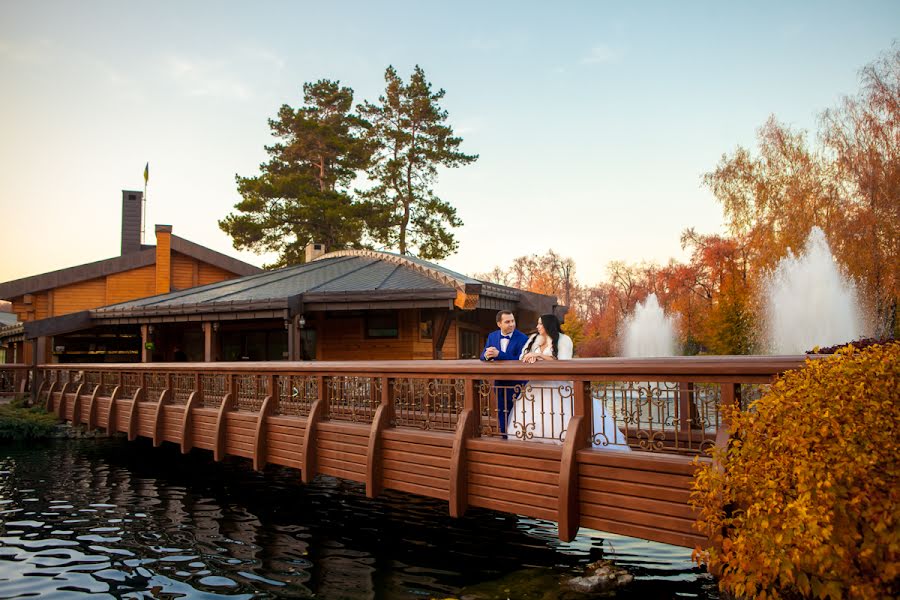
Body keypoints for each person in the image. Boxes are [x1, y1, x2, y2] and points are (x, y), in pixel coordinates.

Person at [509, 314, 630, 451]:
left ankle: (566, 447)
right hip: (535, 385)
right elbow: (522, 356)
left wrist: (539, 355)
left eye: (540, 324)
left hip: (557, 385)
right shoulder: (533, 339)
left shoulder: (564, 340)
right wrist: (529, 358)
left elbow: (563, 361)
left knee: (559, 417)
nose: (537, 327)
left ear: (548, 325)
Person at [480, 310, 528, 435]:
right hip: (499, 382)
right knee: (502, 412)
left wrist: (499, 354)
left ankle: (516, 439)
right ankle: (504, 438)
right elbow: (482, 356)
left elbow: (520, 360)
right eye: (507, 322)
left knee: (518, 414)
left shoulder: (523, 338)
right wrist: (486, 355)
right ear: (499, 324)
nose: (511, 324)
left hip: (518, 385)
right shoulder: (492, 336)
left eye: (513, 321)